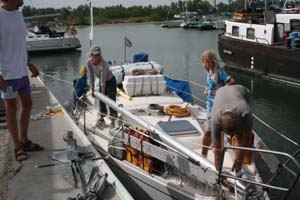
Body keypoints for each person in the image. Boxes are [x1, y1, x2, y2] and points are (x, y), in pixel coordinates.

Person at [0, 0, 43, 161]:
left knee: (28, 103)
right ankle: (17, 147)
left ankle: (24, 140)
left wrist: (30, 64)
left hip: (22, 71)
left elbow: (21, 44)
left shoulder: (18, 15)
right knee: (11, 109)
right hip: (7, 74)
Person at [211, 85, 254, 172]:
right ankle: (237, 154)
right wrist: (220, 174)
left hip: (242, 91)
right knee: (218, 145)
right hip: (221, 92)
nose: (231, 136)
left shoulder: (245, 112)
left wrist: (239, 161)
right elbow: (217, 152)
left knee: (240, 135)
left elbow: (247, 138)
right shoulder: (215, 120)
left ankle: (238, 158)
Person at [200, 50, 234, 157]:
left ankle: (203, 155)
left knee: (208, 131)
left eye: (209, 62)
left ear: (213, 61)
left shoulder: (218, 72)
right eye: (205, 62)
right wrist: (207, 88)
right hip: (210, 104)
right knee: (218, 128)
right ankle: (216, 147)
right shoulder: (209, 71)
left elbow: (231, 81)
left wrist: (221, 89)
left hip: (218, 104)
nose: (207, 64)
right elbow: (211, 84)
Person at [86, 46, 117, 126]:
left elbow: (103, 80)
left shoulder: (104, 64)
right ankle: (102, 117)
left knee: (111, 100)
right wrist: (92, 89)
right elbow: (91, 76)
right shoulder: (89, 63)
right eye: (94, 55)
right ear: (91, 54)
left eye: (98, 54)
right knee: (101, 101)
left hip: (110, 81)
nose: (96, 56)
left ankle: (113, 120)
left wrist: (103, 94)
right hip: (101, 82)